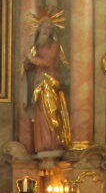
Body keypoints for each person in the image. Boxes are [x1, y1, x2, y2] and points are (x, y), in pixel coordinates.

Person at [23, 23, 70, 152]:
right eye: (43, 28)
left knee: (49, 113)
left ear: (51, 32)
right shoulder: (37, 46)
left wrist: (31, 58)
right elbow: (31, 66)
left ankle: (51, 143)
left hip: (50, 83)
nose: (45, 31)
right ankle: (41, 145)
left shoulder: (54, 45)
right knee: (39, 115)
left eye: (48, 29)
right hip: (38, 83)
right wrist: (28, 63)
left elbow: (47, 62)